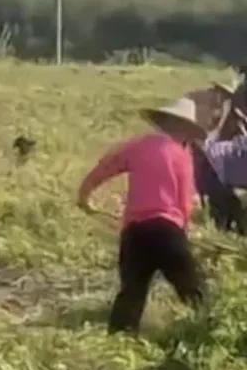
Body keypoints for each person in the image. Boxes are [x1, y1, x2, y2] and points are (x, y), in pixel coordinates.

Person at [77, 98, 208, 334]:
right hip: (167, 232)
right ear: (184, 129)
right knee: (193, 291)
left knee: (131, 294)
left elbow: (104, 168)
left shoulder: (137, 147)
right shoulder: (182, 156)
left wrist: (84, 196)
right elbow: (184, 203)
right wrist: (183, 233)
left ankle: (118, 343)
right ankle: (207, 332)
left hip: (135, 233)